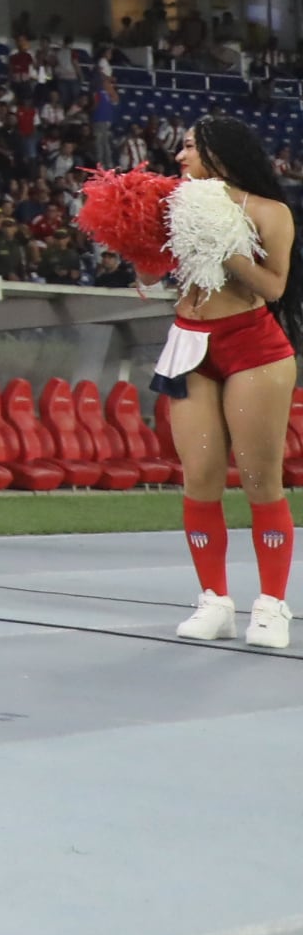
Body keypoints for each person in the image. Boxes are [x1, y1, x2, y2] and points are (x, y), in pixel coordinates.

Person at [155, 114, 296, 648]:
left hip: (252, 347)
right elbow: (151, 271)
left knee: (260, 479)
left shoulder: (268, 211)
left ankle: (271, 605)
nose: (180, 156)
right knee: (200, 477)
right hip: (190, 344)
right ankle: (214, 600)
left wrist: (227, 249)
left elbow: (275, 286)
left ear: (219, 152)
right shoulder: (175, 203)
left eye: (189, 147)